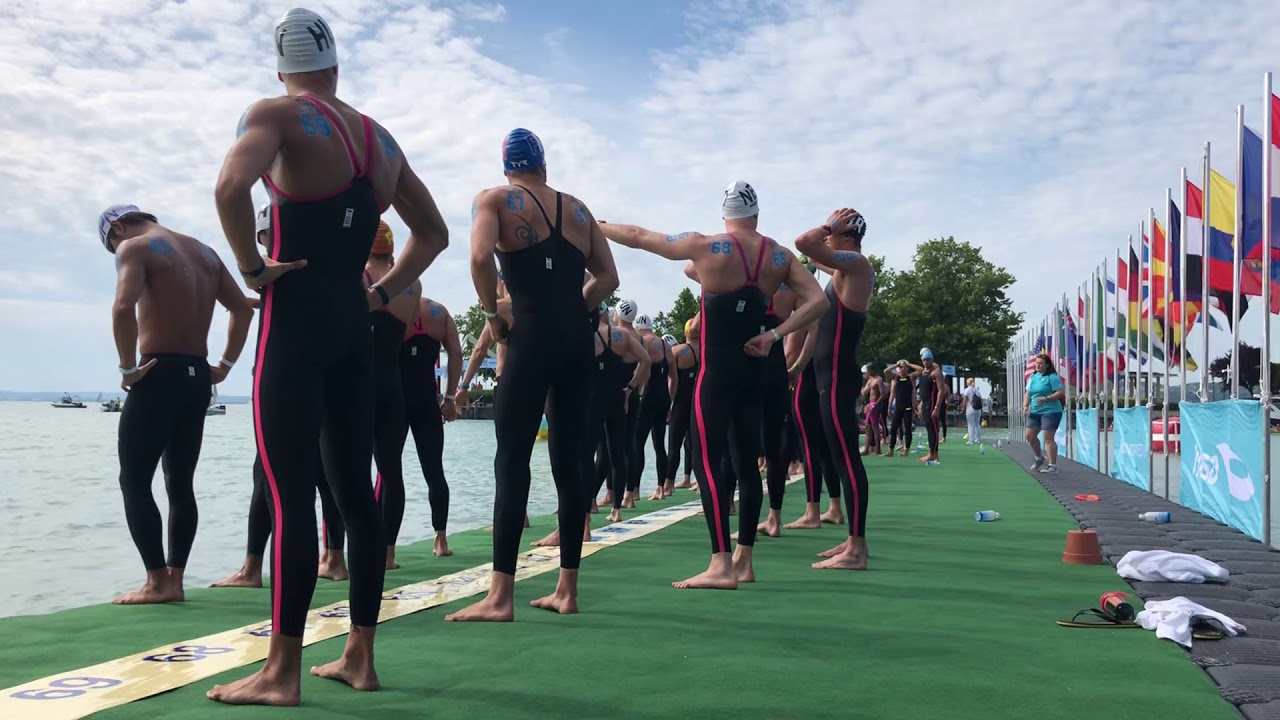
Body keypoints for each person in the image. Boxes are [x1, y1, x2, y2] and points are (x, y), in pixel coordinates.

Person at [209, 7, 449, 705]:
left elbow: (229, 189)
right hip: (353, 320)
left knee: (291, 494)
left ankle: (281, 672)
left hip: (296, 318)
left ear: (282, 71)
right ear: (336, 66)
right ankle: (360, 657)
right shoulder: (379, 140)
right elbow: (430, 233)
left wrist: (254, 271)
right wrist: (382, 297)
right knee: (356, 491)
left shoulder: (277, 115)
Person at [600, 181, 828, 589]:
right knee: (746, 464)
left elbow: (640, 238)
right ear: (756, 215)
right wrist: (775, 336)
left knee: (708, 461)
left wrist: (599, 227)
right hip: (757, 368)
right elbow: (818, 302)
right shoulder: (779, 256)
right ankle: (745, 560)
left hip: (717, 373)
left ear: (724, 216)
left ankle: (720, 564)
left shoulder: (706, 246)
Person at [446, 127, 619, 622]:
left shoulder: (495, 199)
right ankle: (567, 590)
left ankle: (500, 597)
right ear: (543, 165)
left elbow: (480, 258)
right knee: (570, 460)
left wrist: (492, 315)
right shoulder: (579, 209)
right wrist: (573, 306)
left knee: (512, 460)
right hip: (574, 342)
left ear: (507, 167)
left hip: (529, 340)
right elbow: (609, 277)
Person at [100, 203, 256, 605]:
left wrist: (128, 367)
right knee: (180, 482)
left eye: (110, 243)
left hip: (158, 373)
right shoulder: (205, 252)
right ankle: (176, 579)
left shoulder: (135, 248)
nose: (115, 249)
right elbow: (242, 308)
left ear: (117, 227)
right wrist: (223, 365)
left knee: (133, 479)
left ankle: (156, 582)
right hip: (195, 377)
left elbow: (122, 308)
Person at [212, 203, 347, 589]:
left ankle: (254, 569)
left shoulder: (275, 268)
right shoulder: (326, 267)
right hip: (324, 376)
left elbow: (252, 282)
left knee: (269, 474)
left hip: (287, 379)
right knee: (326, 472)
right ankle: (333, 559)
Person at [794, 208, 875, 571]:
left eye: (832, 231)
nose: (826, 236)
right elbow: (811, 255)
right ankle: (851, 539)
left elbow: (804, 243)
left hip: (839, 378)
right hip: (829, 378)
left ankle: (858, 550)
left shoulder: (858, 265)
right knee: (837, 456)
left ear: (844, 234)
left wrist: (827, 227)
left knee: (847, 458)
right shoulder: (844, 270)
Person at [365, 221, 423, 570]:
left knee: (347, 472)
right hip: (392, 386)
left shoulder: (358, 279)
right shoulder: (413, 286)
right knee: (391, 471)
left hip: (357, 387)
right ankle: (387, 554)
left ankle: (337, 556)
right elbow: (404, 336)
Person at [398, 294, 462, 558]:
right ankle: (441, 541)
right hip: (427, 401)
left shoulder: (391, 305)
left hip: (394, 401)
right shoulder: (439, 311)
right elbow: (456, 354)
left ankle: (387, 551)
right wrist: (449, 398)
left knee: (388, 475)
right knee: (434, 471)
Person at [632, 314, 674, 502]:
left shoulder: (643, 342)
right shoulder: (665, 345)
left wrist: (637, 391)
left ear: (639, 327)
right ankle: (660, 488)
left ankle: (634, 490)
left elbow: (645, 369)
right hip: (663, 398)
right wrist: (670, 400)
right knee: (659, 445)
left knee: (637, 444)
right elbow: (675, 377)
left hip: (647, 398)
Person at [664, 316, 700, 495]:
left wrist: (668, 404)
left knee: (674, 445)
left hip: (680, 403)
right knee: (695, 445)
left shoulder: (677, 351)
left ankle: (668, 484)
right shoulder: (707, 351)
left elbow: (673, 381)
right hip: (699, 405)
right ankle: (696, 480)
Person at [1025, 354, 1064, 473]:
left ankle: (1052, 465)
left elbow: (1060, 393)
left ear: (1047, 365)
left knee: (1048, 438)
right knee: (1029, 436)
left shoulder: (1052, 377)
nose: (1038, 365)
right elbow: (1028, 393)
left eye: (1041, 363)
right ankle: (1039, 458)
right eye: (1036, 363)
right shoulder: (1033, 377)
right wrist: (1025, 406)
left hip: (1051, 411)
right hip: (1035, 411)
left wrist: (1046, 398)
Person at [913, 349, 947, 464]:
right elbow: (924, 392)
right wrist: (921, 404)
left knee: (934, 430)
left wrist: (937, 408)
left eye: (928, 359)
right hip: (926, 404)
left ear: (932, 360)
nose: (926, 361)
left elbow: (941, 391)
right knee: (929, 429)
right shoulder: (923, 373)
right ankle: (933, 454)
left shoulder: (935, 372)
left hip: (932, 405)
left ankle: (933, 453)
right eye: (924, 360)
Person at [886, 360, 916, 457]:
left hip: (908, 407)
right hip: (898, 407)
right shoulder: (895, 378)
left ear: (907, 368)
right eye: (901, 367)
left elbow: (920, 370)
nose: (902, 368)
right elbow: (886, 371)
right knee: (893, 428)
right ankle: (891, 450)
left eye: (904, 367)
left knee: (908, 428)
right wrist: (889, 406)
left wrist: (908, 364)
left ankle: (906, 450)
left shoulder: (910, 377)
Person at [860, 364, 885, 456]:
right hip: (870, 404)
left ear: (872, 370)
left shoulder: (879, 380)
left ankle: (878, 449)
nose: (868, 373)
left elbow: (883, 394)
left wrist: (876, 405)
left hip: (875, 404)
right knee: (868, 427)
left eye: (869, 371)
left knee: (875, 426)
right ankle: (867, 449)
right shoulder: (870, 380)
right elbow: (864, 393)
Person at [962, 378, 984, 445]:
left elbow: (965, 400)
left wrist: (963, 408)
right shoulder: (977, 390)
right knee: (977, 424)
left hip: (970, 408)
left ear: (968, 383)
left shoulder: (967, 390)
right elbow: (981, 400)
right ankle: (978, 439)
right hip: (978, 409)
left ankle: (971, 440)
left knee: (970, 425)